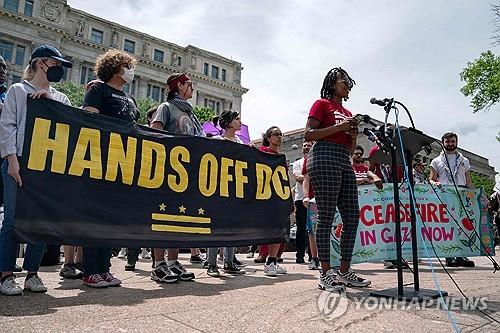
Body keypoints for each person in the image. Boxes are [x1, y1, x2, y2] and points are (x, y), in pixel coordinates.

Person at [0, 45, 72, 295]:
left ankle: (33, 272)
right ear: (40, 63)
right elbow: (7, 125)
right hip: (18, 160)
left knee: (41, 220)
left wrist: (52, 104)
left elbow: (69, 130)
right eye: (55, 64)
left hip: (46, 165)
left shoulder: (61, 98)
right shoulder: (18, 91)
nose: (59, 69)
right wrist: (11, 160)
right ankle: (6, 274)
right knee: (12, 218)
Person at [304, 67, 371, 292]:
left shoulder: (348, 110)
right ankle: (325, 273)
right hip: (324, 157)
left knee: (353, 215)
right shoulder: (322, 104)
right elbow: (309, 134)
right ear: (333, 84)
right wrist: (340, 127)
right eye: (345, 82)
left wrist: (351, 136)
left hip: (343, 159)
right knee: (327, 214)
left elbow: (351, 149)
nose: (348, 86)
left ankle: (344, 271)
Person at [81, 49, 141, 287]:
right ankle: (90, 270)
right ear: (115, 68)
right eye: (127, 65)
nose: (130, 70)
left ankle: (104, 269)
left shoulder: (130, 98)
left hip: (123, 162)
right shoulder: (98, 90)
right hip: (100, 159)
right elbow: (89, 120)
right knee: (96, 216)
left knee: (111, 218)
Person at [150, 72, 203, 283]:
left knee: (178, 219)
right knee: (163, 217)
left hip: (187, 174)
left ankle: (173, 262)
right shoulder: (165, 108)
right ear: (179, 86)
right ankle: (158, 264)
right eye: (189, 85)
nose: (192, 88)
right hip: (167, 171)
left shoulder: (191, 114)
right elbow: (154, 132)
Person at [205, 110, 247, 277]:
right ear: (229, 122)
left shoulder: (240, 142)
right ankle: (212, 263)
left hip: (235, 188)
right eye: (237, 119)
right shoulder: (216, 141)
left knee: (232, 225)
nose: (239, 122)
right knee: (216, 225)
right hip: (218, 187)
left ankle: (229, 262)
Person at [429, 132, 475, 268]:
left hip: (461, 195)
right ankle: (449, 256)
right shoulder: (436, 161)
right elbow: (431, 179)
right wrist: (435, 183)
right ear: (443, 143)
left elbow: (468, 181)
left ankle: (461, 255)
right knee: (448, 226)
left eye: (453, 141)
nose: (450, 144)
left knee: (462, 226)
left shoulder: (464, 160)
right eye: (447, 142)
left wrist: (478, 194)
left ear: (457, 142)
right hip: (445, 194)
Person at [258, 126, 288, 276]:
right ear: (268, 137)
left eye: (281, 134)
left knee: (278, 229)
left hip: (279, 196)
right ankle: (267, 260)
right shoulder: (262, 152)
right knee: (270, 229)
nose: (279, 137)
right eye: (276, 134)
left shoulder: (281, 157)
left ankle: (272, 261)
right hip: (265, 196)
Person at [292, 141, 312, 264]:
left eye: (308, 146)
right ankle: (299, 255)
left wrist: (306, 178)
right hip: (300, 199)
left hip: (314, 199)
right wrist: (309, 177)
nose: (306, 148)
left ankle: (312, 256)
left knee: (313, 229)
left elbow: (302, 177)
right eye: (304, 146)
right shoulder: (297, 163)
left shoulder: (316, 161)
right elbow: (298, 178)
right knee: (301, 228)